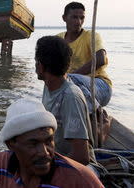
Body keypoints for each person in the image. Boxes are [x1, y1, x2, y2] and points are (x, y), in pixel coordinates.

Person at [0, 99, 104, 188]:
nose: (44, 152)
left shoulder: (80, 179)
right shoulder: (0, 166)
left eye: (49, 141)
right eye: (33, 143)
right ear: (11, 145)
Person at [35, 35, 94, 165]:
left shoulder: (70, 97)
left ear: (41, 66)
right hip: (54, 156)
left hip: (74, 167)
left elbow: (82, 157)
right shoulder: (49, 85)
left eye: (36, 60)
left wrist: (47, 165)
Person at [58, 1, 112, 112]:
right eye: (74, 17)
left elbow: (101, 59)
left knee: (67, 80)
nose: (78, 22)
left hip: (100, 86)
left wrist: (69, 76)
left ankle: (98, 112)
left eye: (81, 18)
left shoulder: (91, 36)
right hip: (73, 87)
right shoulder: (58, 40)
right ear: (64, 18)